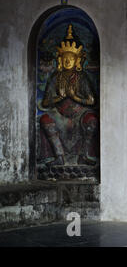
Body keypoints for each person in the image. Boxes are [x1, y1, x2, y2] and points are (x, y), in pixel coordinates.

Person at [39, 24, 99, 167]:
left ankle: (83, 155)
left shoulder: (81, 77)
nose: (67, 61)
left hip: (79, 113)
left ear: (77, 60)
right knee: (45, 119)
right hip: (59, 114)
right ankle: (59, 156)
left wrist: (75, 97)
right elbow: (46, 103)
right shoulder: (56, 77)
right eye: (64, 58)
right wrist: (59, 98)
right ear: (60, 60)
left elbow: (91, 100)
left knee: (92, 120)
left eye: (71, 59)